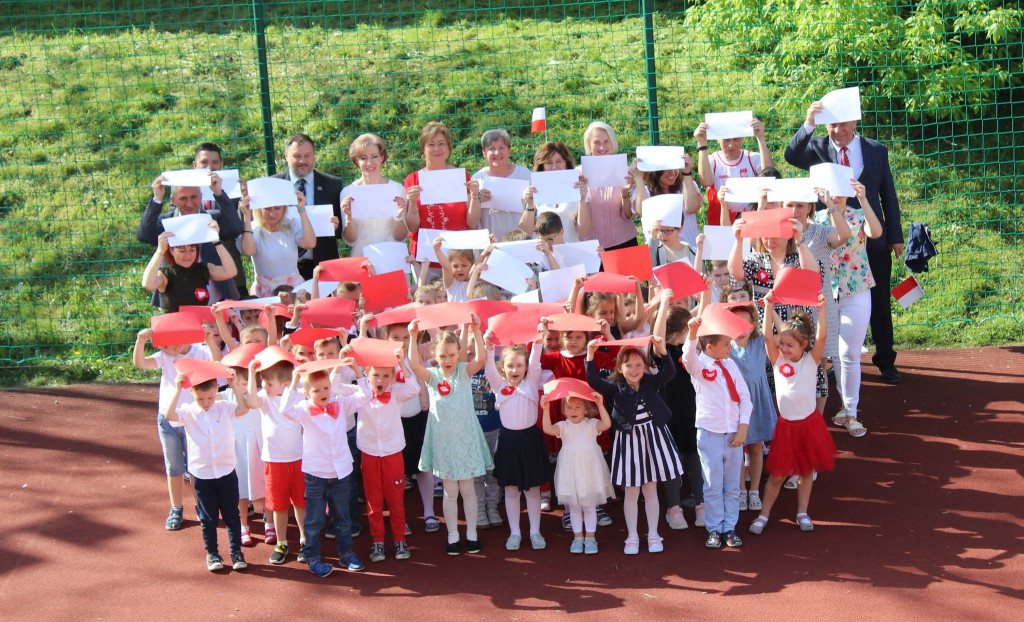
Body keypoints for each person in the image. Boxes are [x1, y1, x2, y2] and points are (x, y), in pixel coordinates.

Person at [784, 99, 904, 384]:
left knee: (879, 301)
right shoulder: (817, 147)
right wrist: (808, 123)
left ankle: (885, 359)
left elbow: (888, 192)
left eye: (843, 123)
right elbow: (791, 155)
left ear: (854, 123)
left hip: (870, 236)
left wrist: (895, 234)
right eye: (832, 124)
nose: (837, 130)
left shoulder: (876, 150)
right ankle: (831, 359)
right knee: (829, 301)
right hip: (830, 238)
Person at [586, 292, 683, 555]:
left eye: (638, 364)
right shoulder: (616, 386)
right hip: (628, 442)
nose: (634, 369)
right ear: (620, 367)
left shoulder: (651, 381)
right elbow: (594, 381)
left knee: (650, 489)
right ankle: (632, 536)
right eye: (629, 365)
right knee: (631, 492)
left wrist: (662, 351)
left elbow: (670, 372)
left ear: (644, 365)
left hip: (653, 439)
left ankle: (653, 534)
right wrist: (590, 355)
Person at [749, 294, 837, 535]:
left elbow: (822, 336)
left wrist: (820, 309)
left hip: (809, 427)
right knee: (777, 475)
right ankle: (763, 515)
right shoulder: (777, 360)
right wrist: (768, 307)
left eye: (790, 345)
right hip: (787, 427)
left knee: (806, 473)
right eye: (782, 344)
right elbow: (768, 335)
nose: (784, 349)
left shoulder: (811, 361)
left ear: (804, 345)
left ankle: (802, 512)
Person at [407, 316, 493, 556]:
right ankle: (453, 536)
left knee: (468, 490)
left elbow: (482, 358)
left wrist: (476, 330)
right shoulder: (433, 376)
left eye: (452, 355)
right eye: (443, 356)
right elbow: (415, 366)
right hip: (444, 444)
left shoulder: (465, 372)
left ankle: (472, 534)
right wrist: (413, 337)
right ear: (435, 354)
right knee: (449, 491)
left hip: (465, 442)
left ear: (459, 354)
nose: (447, 360)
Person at [279, 367, 366, 577]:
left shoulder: (340, 404)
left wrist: (358, 373)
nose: (323, 392)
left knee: (343, 517)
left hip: (341, 472)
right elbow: (284, 409)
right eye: (317, 390)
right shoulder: (303, 409)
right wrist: (294, 382)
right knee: (314, 519)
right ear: (307, 393)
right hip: (316, 474)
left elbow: (366, 396)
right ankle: (312, 558)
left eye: (326, 387)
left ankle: (346, 554)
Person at [132, 327, 221, 530]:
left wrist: (209, 340)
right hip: (168, 419)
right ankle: (176, 508)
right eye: (160, 345)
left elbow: (217, 362)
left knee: (197, 467)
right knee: (174, 468)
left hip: (193, 420)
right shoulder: (164, 356)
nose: (162, 347)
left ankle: (202, 506)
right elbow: (140, 363)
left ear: (178, 340)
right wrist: (140, 341)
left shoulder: (199, 351)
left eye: (165, 344)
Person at [816, 181, 884, 437]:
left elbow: (876, 232)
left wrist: (864, 199)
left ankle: (851, 412)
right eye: (831, 191)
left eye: (840, 190)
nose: (836, 196)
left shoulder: (858, 215)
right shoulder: (818, 220)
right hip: (824, 294)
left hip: (856, 291)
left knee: (849, 354)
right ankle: (824, 411)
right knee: (826, 355)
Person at [164, 368, 249, 572]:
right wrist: (177, 390)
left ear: (217, 390)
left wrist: (234, 385)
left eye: (210, 397)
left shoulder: (223, 407)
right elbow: (169, 415)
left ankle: (236, 551)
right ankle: (212, 553)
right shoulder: (188, 411)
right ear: (192, 393)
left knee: (231, 515)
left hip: (226, 471)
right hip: (202, 474)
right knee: (208, 517)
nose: (206, 402)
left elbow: (243, 409)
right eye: (201, 398)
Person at [682, 313, 753, 550]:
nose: (730, 347)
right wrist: (692, 335)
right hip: (710, 435)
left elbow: (745, 398)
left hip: (734, 435)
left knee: (732, 484)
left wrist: (743, 428)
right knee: (712, 484)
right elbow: (688, 358)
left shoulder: (731, 365)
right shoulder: (700, 366)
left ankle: (729, 528)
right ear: (710, 347)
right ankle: (714, 528)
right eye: (726, 344)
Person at [483, 330, 549, 552]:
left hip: (530, 441)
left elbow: (536, 361)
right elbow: (489, 368)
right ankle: (515, 533)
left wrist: (538, 342)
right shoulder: (499, 386)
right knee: (511, 491)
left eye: (519, 365)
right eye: (510, 366)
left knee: (532, 490)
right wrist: (489, 347)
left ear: (526, 368)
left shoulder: (532, 381)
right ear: (503, 367)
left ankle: (535, 532)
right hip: (509, 443)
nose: (514, 370)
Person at [352, 350, 420, 563]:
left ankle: (400, 539)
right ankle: (378, 542)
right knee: (373, 501)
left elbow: (414, 388)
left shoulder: (397, 391)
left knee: (396, 500)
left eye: (385, 376)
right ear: (367, 375)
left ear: (392, 377)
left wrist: (399, 364)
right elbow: (337, 388)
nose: (379, 380)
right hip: (370, 453)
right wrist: (352, 368)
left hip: (392, 453)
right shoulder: (361, 391)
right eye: (375, 375)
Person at [137, 176, 243, 303]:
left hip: (216, 292)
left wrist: (218, 193)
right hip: (176, 295)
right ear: (173, 200)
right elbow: (144, 235)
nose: (189, 203)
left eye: (194, 197)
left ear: (201, 196)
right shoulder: (166, 222)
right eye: (183, 198)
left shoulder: (212, 219)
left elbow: (235, 227)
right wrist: (157, 199)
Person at [244, 350, 306, 564]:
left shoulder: (297, 396)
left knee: (300, 503)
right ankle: (282, 543)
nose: (265, 387)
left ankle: (305, 540)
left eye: (269, 384)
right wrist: (252, 374)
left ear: (286, 384)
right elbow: (251, 402)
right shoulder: (264, 398)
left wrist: (302, 369)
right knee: (279, 506)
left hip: (298, 459)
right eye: (263, 383)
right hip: (274, 461)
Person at [541, 391, 614, 555]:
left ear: (586, 410)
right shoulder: (563, 426)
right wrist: (545, 410)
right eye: (569, 407)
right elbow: (548, 429)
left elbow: (607, 424)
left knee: (589, 506)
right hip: (570, 472)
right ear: (564, 411)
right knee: (574, 507)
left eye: (578, 407)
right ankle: (577, 537)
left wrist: (600, 405)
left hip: (589, 472)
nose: (573, 411)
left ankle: (590, 537)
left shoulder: (592, 424)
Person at [405, 122, 482, 261]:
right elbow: (413, 227)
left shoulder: (461, 177)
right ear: (423, 149)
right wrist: (412, 202)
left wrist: (475, 196)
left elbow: (472, 222)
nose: (437, 149)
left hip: (458, 257)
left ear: (448, 147)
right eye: (431, 144)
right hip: (426, 255)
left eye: (441, 143)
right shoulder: (413, 180)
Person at [270, 134, 344, 280]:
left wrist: (336, 226)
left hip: (323, 266)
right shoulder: (273, 185)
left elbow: (343, 230)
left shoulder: (333, 184)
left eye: (307, 155)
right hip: (285, 269)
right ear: (286, 156)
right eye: (296, 156)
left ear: (313, 156)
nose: (302, 161)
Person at [725, 304, 776, 513]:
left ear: (752, 326)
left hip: (757, 402)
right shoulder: (725, 347)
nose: (741, 328)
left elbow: (768, 332)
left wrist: (769, 308)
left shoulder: (758, 343)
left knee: (755, 448)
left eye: (745, 323)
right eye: (735, 323)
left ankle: (754, 490)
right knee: (737, 449)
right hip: (735, 405)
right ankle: (741, 490)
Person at [239, 185, 326, 297]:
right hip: (265, 290)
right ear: (259, 209)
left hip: (293, 288)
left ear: (284, 208)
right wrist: (246, 216)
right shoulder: (253, 229)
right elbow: (248, 251)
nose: (272, 214)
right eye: (267, 208)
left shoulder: (291, 225)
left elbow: (310, 243)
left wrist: (302, 210)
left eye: (277, 208)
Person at [694, 116, 775, 226]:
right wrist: (702, 144)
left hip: (750, 220)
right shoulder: (712, 160)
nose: (731, 145)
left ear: (742, 138)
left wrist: (761, 138)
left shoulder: (752, 158)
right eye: (726, 140)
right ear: (718, 139)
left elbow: (770, 175)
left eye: (736, 139)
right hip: (721, 220)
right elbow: (706, 182)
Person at [340, 133, 410, 257]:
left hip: (392, 259)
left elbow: (401, 238)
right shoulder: (348, 192)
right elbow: (350, 241)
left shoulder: (397, 189)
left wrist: (398, 217)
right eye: (363, 158)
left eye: (374, 156)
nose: (369, 162)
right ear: (356, 160)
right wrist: (349, 217)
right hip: (362, 261)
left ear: (382, 157)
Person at [193, 142, 248, 295]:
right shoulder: (185, 193)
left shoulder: (232, 189)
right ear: (195, 165)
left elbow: (238, 226)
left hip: (229, 268)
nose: (210, 167)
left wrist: (245, 197)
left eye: (215, 162)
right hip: (194, 268)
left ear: (221, 165)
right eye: (204, 162)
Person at [141, 226, 238, 312]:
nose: (188, 255)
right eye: (182, 251)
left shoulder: (202, 268)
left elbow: (230, 272)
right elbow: (148, 284)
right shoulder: (165, 274)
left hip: (201, 325)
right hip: (175, 327)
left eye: (192, 250)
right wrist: (160, 250)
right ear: (171, 251)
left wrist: (217, 242)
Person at [579, 122, 638, 251]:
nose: (602, 147)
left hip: (624, 243)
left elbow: (628, 216)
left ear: (613, 143)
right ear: (588, 145)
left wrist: (625, 194)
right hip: (591, 247)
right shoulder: (578, 175)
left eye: (606, 141)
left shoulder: (625, 172)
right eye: (596, 142)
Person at [520, 141, 591, 243]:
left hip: (570, 252)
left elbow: (585, 231)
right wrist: (530, 204)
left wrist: (582, 200)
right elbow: (525, 232)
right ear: (542, 166)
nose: (554, 167)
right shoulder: (534, 191)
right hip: (543, 253)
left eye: (559, 161)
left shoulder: (577, 189)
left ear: (566, 163)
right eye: (549, 162)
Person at [471, 128, 533, 241]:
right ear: (484, 153)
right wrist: (476, 199)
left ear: (509, 151)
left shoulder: (524, 174)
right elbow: (471, 223)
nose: (497, 153)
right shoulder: (477, 179)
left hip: (519, 243)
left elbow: (536, 210)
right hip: (489, 246)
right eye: (491, 149)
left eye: (502, 148)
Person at [633, 154, 703, 248]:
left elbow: (692, 207)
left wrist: (687, 172)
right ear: (655, 171)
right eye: (668, 169)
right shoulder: (644, 191)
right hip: (659, 253)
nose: (673, 173)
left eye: (675, 168)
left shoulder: (686, 185)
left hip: (688, 250)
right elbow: (643, 212)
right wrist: (639, 177)